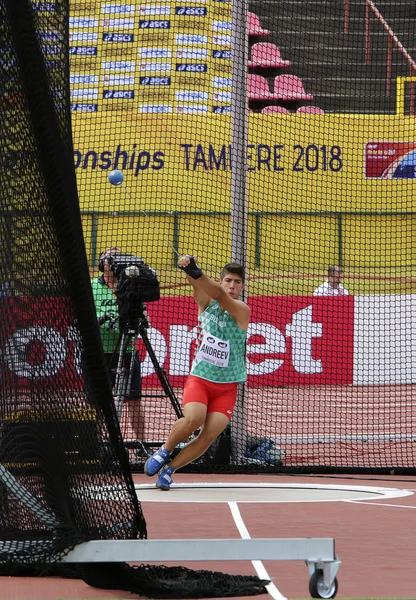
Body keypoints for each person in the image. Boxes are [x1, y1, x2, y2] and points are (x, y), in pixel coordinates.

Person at [144, 255, 251, 490]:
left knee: (208, 437)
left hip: (227, 386)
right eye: (228, 280)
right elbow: (200, 287)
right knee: (194, 418)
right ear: (221, 281)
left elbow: (220, 296)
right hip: (201, 378)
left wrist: (196, 271)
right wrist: (188, 268)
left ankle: (170, 470)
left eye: (237, 282)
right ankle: (164, 451)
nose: (232, 286)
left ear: (243, 286)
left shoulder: (242, 310)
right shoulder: (206, 303)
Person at [91, 247, 143, 438]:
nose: (113, 260)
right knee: (98, 400)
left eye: (118, 257)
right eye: (109, 257)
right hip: (99, 353)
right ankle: (96, 441)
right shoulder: (91, 286)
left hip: (127, 350)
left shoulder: (131, 286)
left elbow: (143, 315)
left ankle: (140, 444)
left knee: (134, 399)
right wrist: (103, 320)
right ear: (101, 263)